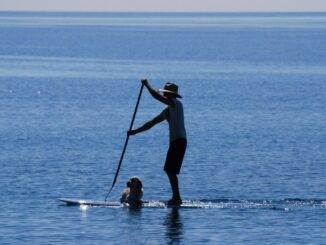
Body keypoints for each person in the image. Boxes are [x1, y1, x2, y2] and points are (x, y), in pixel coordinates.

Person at [128, 79, 187, 205]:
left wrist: (147, 85)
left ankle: (177, 198)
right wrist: (134, 132)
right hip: (176, 142)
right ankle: (176, 197)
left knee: (170, 170)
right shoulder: (168, 110)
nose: (164, 95)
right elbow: (151, 123)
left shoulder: (176, 103)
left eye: (166, 93)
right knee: (169, 170)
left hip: (179, 141)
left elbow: (156, 96)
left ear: (170, 95)